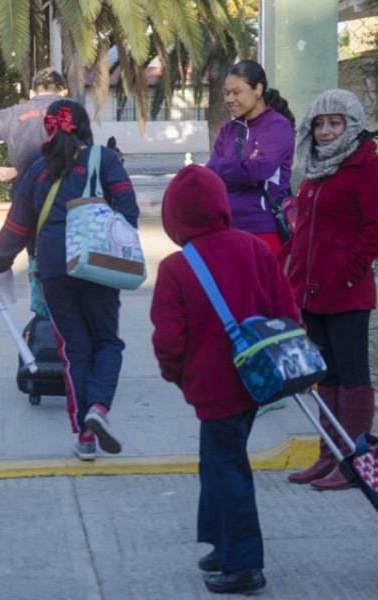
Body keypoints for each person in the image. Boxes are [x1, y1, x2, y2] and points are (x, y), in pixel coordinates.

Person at [150, 165, 300, 595]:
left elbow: (169, 339)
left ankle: (243, 565)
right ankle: (222, 544)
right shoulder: (253, 247)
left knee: (225, 468)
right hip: (257, 381)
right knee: (218, 462)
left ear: (173, 217)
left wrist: (178, 376)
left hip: (213, 387)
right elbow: (286, 309)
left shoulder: (178, 267)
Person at [0, 99, 138, 461]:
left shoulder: (36, 169)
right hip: (98, 264)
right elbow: (129, 211)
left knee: (75, 349)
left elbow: (17, 228)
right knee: (107, 342)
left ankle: (84, 436)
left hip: (53, 267)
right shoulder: (105, 160)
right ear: (83, 128)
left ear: (48, 129)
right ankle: (98, 408)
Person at [285, 89, 378, 491]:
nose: (326, 131)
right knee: (325, 376)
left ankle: (354, 461)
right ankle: (329, 454)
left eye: (335, 123)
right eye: (319, 123)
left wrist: (347, 271)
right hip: (312, 293)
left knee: (352, 376)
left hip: (346, 292)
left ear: (352, 125)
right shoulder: (315, 170)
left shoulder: (367, 166)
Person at [204, 59, 296, 254]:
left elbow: (259, 170)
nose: (229, 99)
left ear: (258, 90)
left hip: (263, 228)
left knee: (262, 285)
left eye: (236, 92)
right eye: (226, 93)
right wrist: (240, 167)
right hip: (226, 227)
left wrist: (223, 165)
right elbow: (210, 177)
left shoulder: (277, 126)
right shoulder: (228, 130)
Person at [0, 67, 68, 185]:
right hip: (66, 192)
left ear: (31, 94)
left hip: (27, 192)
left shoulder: (12, 115)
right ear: (63, 93)